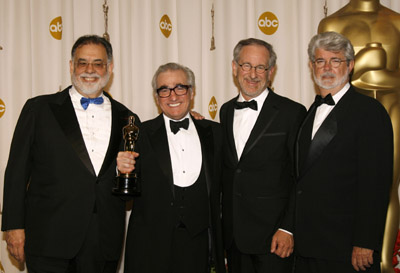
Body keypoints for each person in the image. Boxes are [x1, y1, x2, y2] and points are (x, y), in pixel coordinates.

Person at [2, 35, 140, 272]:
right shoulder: (39, 109)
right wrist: (13, 227)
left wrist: (123, 171)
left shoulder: (128, 119)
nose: (89, 70)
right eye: (82, 62)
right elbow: (16, 171)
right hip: (48, 238)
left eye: (98, 63)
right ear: (71, 66)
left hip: (102, 241)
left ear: (110, 68)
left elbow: (135, 185)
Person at [294, 31, 393, 273]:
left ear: (350, 66)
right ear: (311, 66)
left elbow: (376, 183)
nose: (327, 67)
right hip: (308, 245)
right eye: (320, 61)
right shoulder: (309, 113)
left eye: (335, 60)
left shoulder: (369, 112)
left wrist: (365, 242)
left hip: (346, 248)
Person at [117, 62, 225, 273]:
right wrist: (120, 171)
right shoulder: (139, 134)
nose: (173, 96)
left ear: (191, 92)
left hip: (200, 247)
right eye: (164, 90)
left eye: (180, 88)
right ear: (157, 97)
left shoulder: (215, 133)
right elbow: (124, 196)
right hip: (150, 248)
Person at [219, 38, 306, 273]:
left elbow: (301, 177)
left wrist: (288, 228)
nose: (253, 74)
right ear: (235, 68)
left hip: (274, 239)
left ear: (271, 71)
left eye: (261, 67)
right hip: (234, 237)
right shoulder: (225, 111)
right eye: (247, 65)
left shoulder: (292, 112)